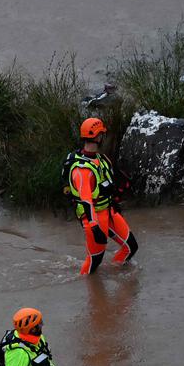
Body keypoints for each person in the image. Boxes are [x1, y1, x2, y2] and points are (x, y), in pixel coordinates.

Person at [67, 117, 138, 275]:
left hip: (108, 211)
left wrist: (114, 202)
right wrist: (95, 227)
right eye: (102, 135)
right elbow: (86, 202)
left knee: (131, 247)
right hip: (93, 218)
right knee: (95, 260)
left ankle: (114, 273)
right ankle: (88, 287)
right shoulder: (82, 170)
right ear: (98, 137)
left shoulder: (102, 159)